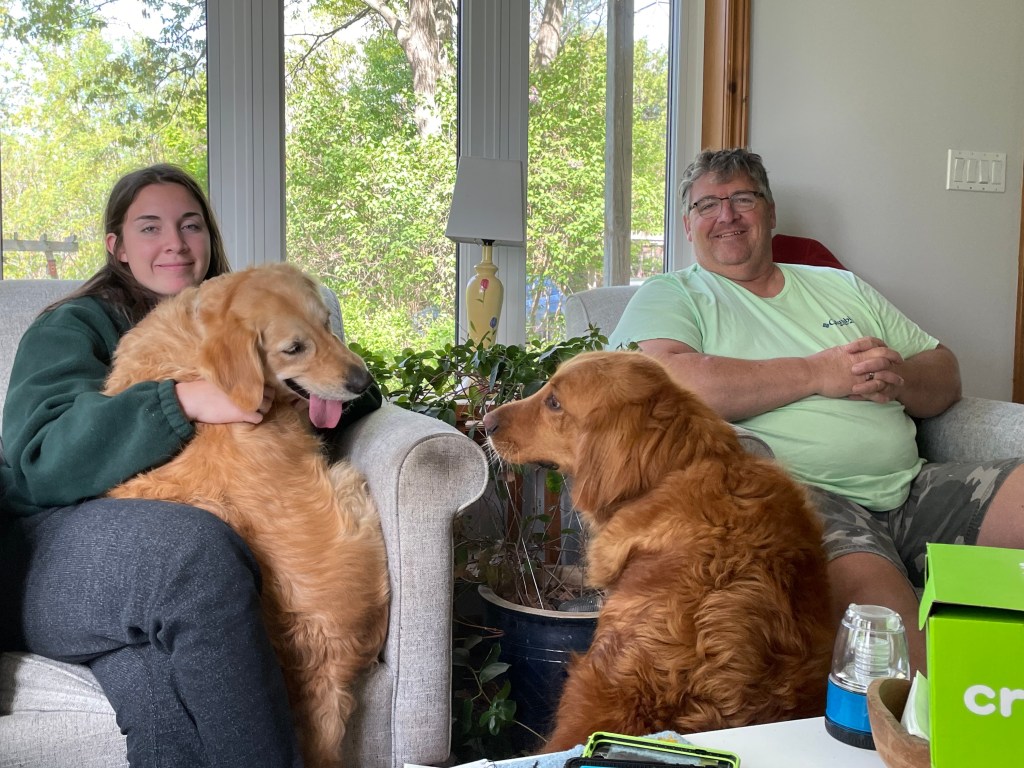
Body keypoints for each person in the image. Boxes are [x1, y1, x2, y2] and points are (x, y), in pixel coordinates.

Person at [0, 163, 380, 766]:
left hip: (147, 587)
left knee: (161, 696)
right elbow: (42, 461)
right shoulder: (74, 324)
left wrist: (304, 385)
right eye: (149, 228)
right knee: (194, 550)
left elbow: (346, 381)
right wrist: (180, 399)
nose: (175, 243)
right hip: (53, 551)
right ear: (116, 246)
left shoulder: (255, 306)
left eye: (191, 225)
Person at [608, 147, 1024, 674]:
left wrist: (899, 378)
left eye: (742, 198)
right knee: (893, 647)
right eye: (708, 204)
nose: (727, 216)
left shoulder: (839, 286)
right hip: (804, 501)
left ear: (771, 212)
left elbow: (945, 372)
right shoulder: (674, 294)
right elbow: (663, 383)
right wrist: (815, 372)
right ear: (688, 225)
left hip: (912, 486)